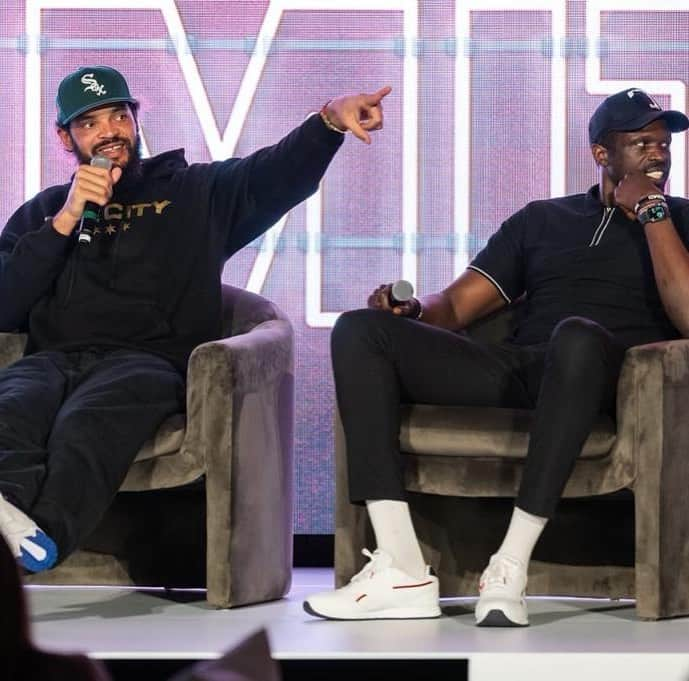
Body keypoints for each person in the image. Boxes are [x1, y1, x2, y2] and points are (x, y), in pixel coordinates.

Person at [304, 88, 689, 626]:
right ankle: (402, 568)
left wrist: (653, 214)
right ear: (603, 154)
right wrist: (412, 308)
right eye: (641, 142)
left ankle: (510, 564)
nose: (658, 154)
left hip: (610, 379)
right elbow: (459, 304)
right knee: (359, 331)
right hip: (524, 368)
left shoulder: (680, 220)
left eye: (663, 143)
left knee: (576, 336)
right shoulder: (541, 221)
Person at [0, 65, 390, 574]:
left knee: (86, 425)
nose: (109, 132)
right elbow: (7, 303)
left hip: (144, 362)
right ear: (65, 137)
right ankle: (10, 524)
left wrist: (328, 123)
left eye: (119, 116)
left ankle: (39, 539)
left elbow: (273, 174)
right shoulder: (46, 211)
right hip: (51, 362)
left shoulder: (193, 192)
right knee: (11, 409)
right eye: (90, 124)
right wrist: (68, 219)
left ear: (136, 121)